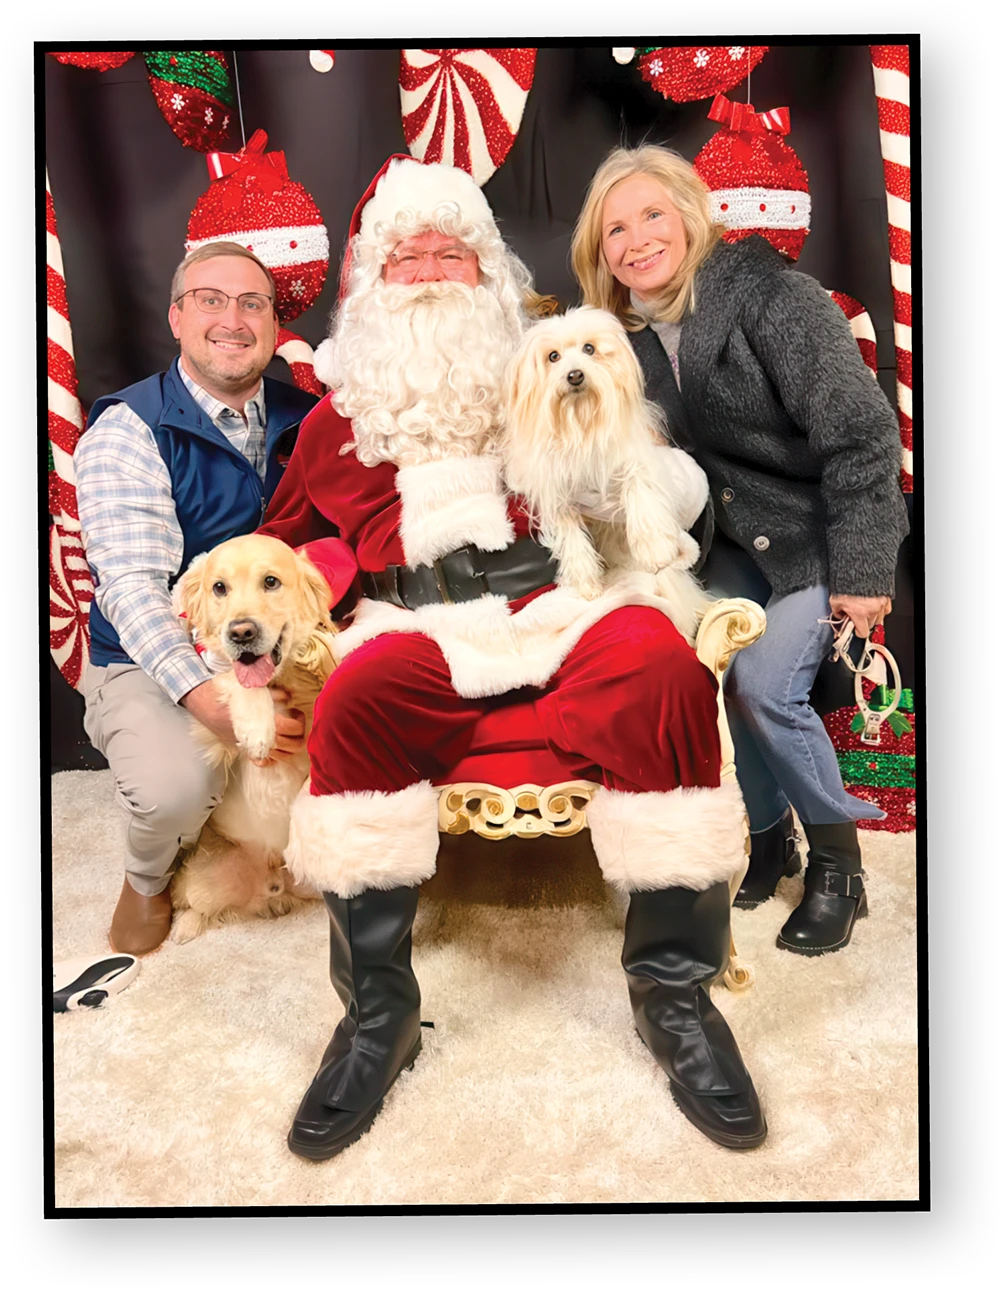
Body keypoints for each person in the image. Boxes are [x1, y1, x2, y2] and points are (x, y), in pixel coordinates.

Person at [260, 155, 768, 1158]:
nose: (434, 271)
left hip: (561, 597)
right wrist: (321, 570)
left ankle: (671, 991)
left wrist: (646, 491)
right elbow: (287, 547)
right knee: (355, 696)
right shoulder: (334, 419)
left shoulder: (543, 368)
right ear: (372, 281)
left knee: (662, 668)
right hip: (419, 627)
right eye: (410, 256)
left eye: (456, 251)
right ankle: (377, 1016)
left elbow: (636, 465)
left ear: (488, 273)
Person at [571, 145, 909, 955]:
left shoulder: (775, 298)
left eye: (653, 213)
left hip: (810, 536)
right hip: (721, 544)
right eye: (616, 228)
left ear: (693, 213)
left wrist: (863, 572)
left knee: (763, 684)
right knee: (704, 678)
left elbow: (862, 437)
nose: (637, 239)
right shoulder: (623, 341)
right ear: (600, 251)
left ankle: (839, 866)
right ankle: (768, 841)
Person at [74, 243, 319, 956]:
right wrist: (207, 698)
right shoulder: (130, 426)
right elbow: (131, 590)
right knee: (177, 789)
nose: (233, 319)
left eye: (253, 303)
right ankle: (147, 878)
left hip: (286, 643)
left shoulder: (312, 419)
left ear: (275, 325)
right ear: (177, 316)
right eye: (211, 299)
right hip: (155, 658)